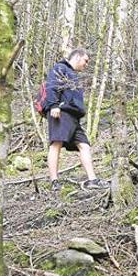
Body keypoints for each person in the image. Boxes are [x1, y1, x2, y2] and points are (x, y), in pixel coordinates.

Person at [43, 48, 108, 190]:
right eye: (85, 60)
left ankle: (92, 180)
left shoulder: (73, 74)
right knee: (56, 143)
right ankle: (54, 182)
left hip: (73, 116)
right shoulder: (60, 68)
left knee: (84, 145)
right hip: (61, 112)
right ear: (77, 57)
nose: (86, 64)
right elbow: (51, 86)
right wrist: (53, 105)